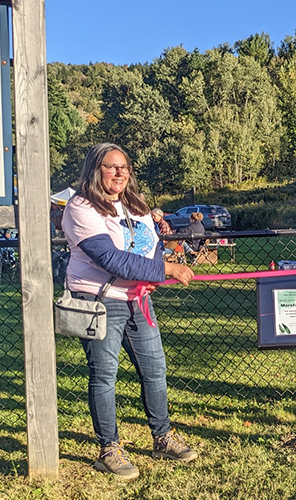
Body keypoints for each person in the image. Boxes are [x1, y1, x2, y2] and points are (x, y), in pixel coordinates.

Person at [61, 143, 198, 480]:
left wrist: (153, 270)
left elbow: (151, 247)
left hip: (137, 300)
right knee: (104, 375)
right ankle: (109, 448)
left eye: (124, 167)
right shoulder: (81, 207)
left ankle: (162, 437)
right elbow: (109, 258)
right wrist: (165, 270)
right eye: (111, 167)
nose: (120, 173)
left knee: (155, 370)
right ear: (96, 170)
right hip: (100, 300)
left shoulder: (134, 205)